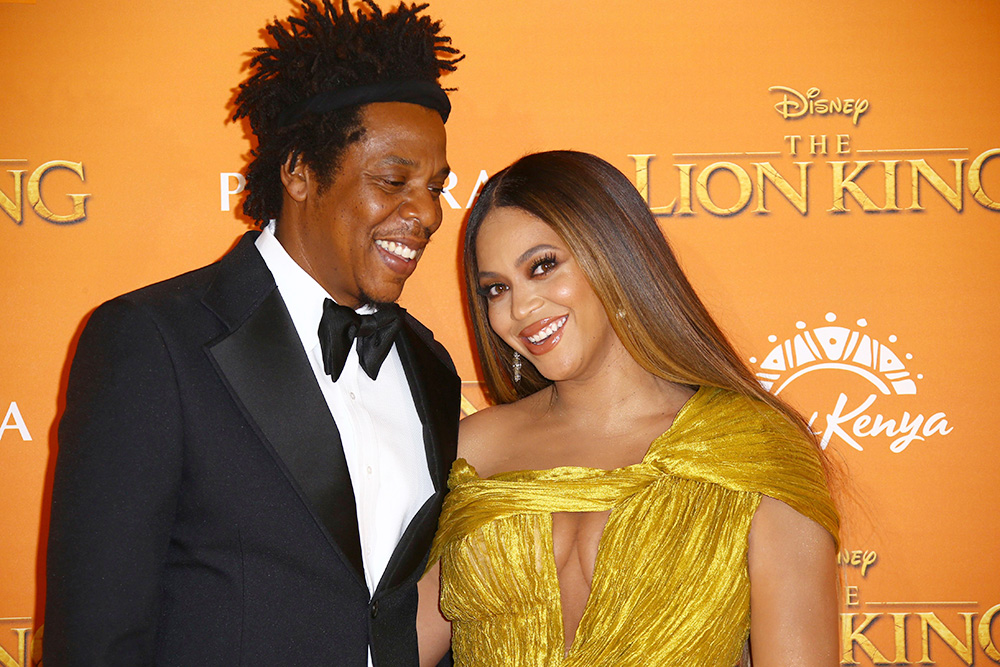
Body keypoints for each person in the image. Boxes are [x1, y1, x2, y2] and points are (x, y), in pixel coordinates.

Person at [45, 1, 462, 664]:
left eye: (437, 187)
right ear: (298, 171)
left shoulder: (427, 365)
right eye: (394, 180)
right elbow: (97, 639)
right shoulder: (151, 342)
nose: (428, 214)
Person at [417, 151, 840, 666]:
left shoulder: (753, 450)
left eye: (543, 266)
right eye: (497, 289)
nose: (519, 309)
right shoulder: (469, 450)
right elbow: (396, 647)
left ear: (614, 257)